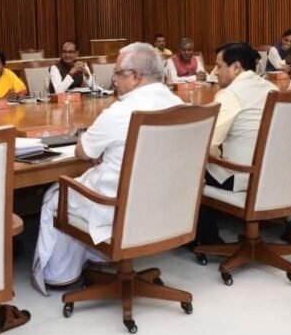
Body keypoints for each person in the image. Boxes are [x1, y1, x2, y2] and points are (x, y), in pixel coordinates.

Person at [32, 42, 183, 294]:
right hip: (166, 204)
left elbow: (82, 152)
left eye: (118, 74)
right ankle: (99, 259)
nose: (114, 80)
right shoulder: (180, 105)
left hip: (118, 209)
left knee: (55, 195)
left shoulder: (121, 111)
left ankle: (60, 277)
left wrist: (100, 151)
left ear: (135, 77)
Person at [193, 42, 278, 246]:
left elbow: (208, 142)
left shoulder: (232, 94)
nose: (214, 72)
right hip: (273, 172)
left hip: (243, 174)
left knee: (190, 165)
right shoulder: (272, 88)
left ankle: (206, 238)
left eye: (219, 66)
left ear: (236, 68)